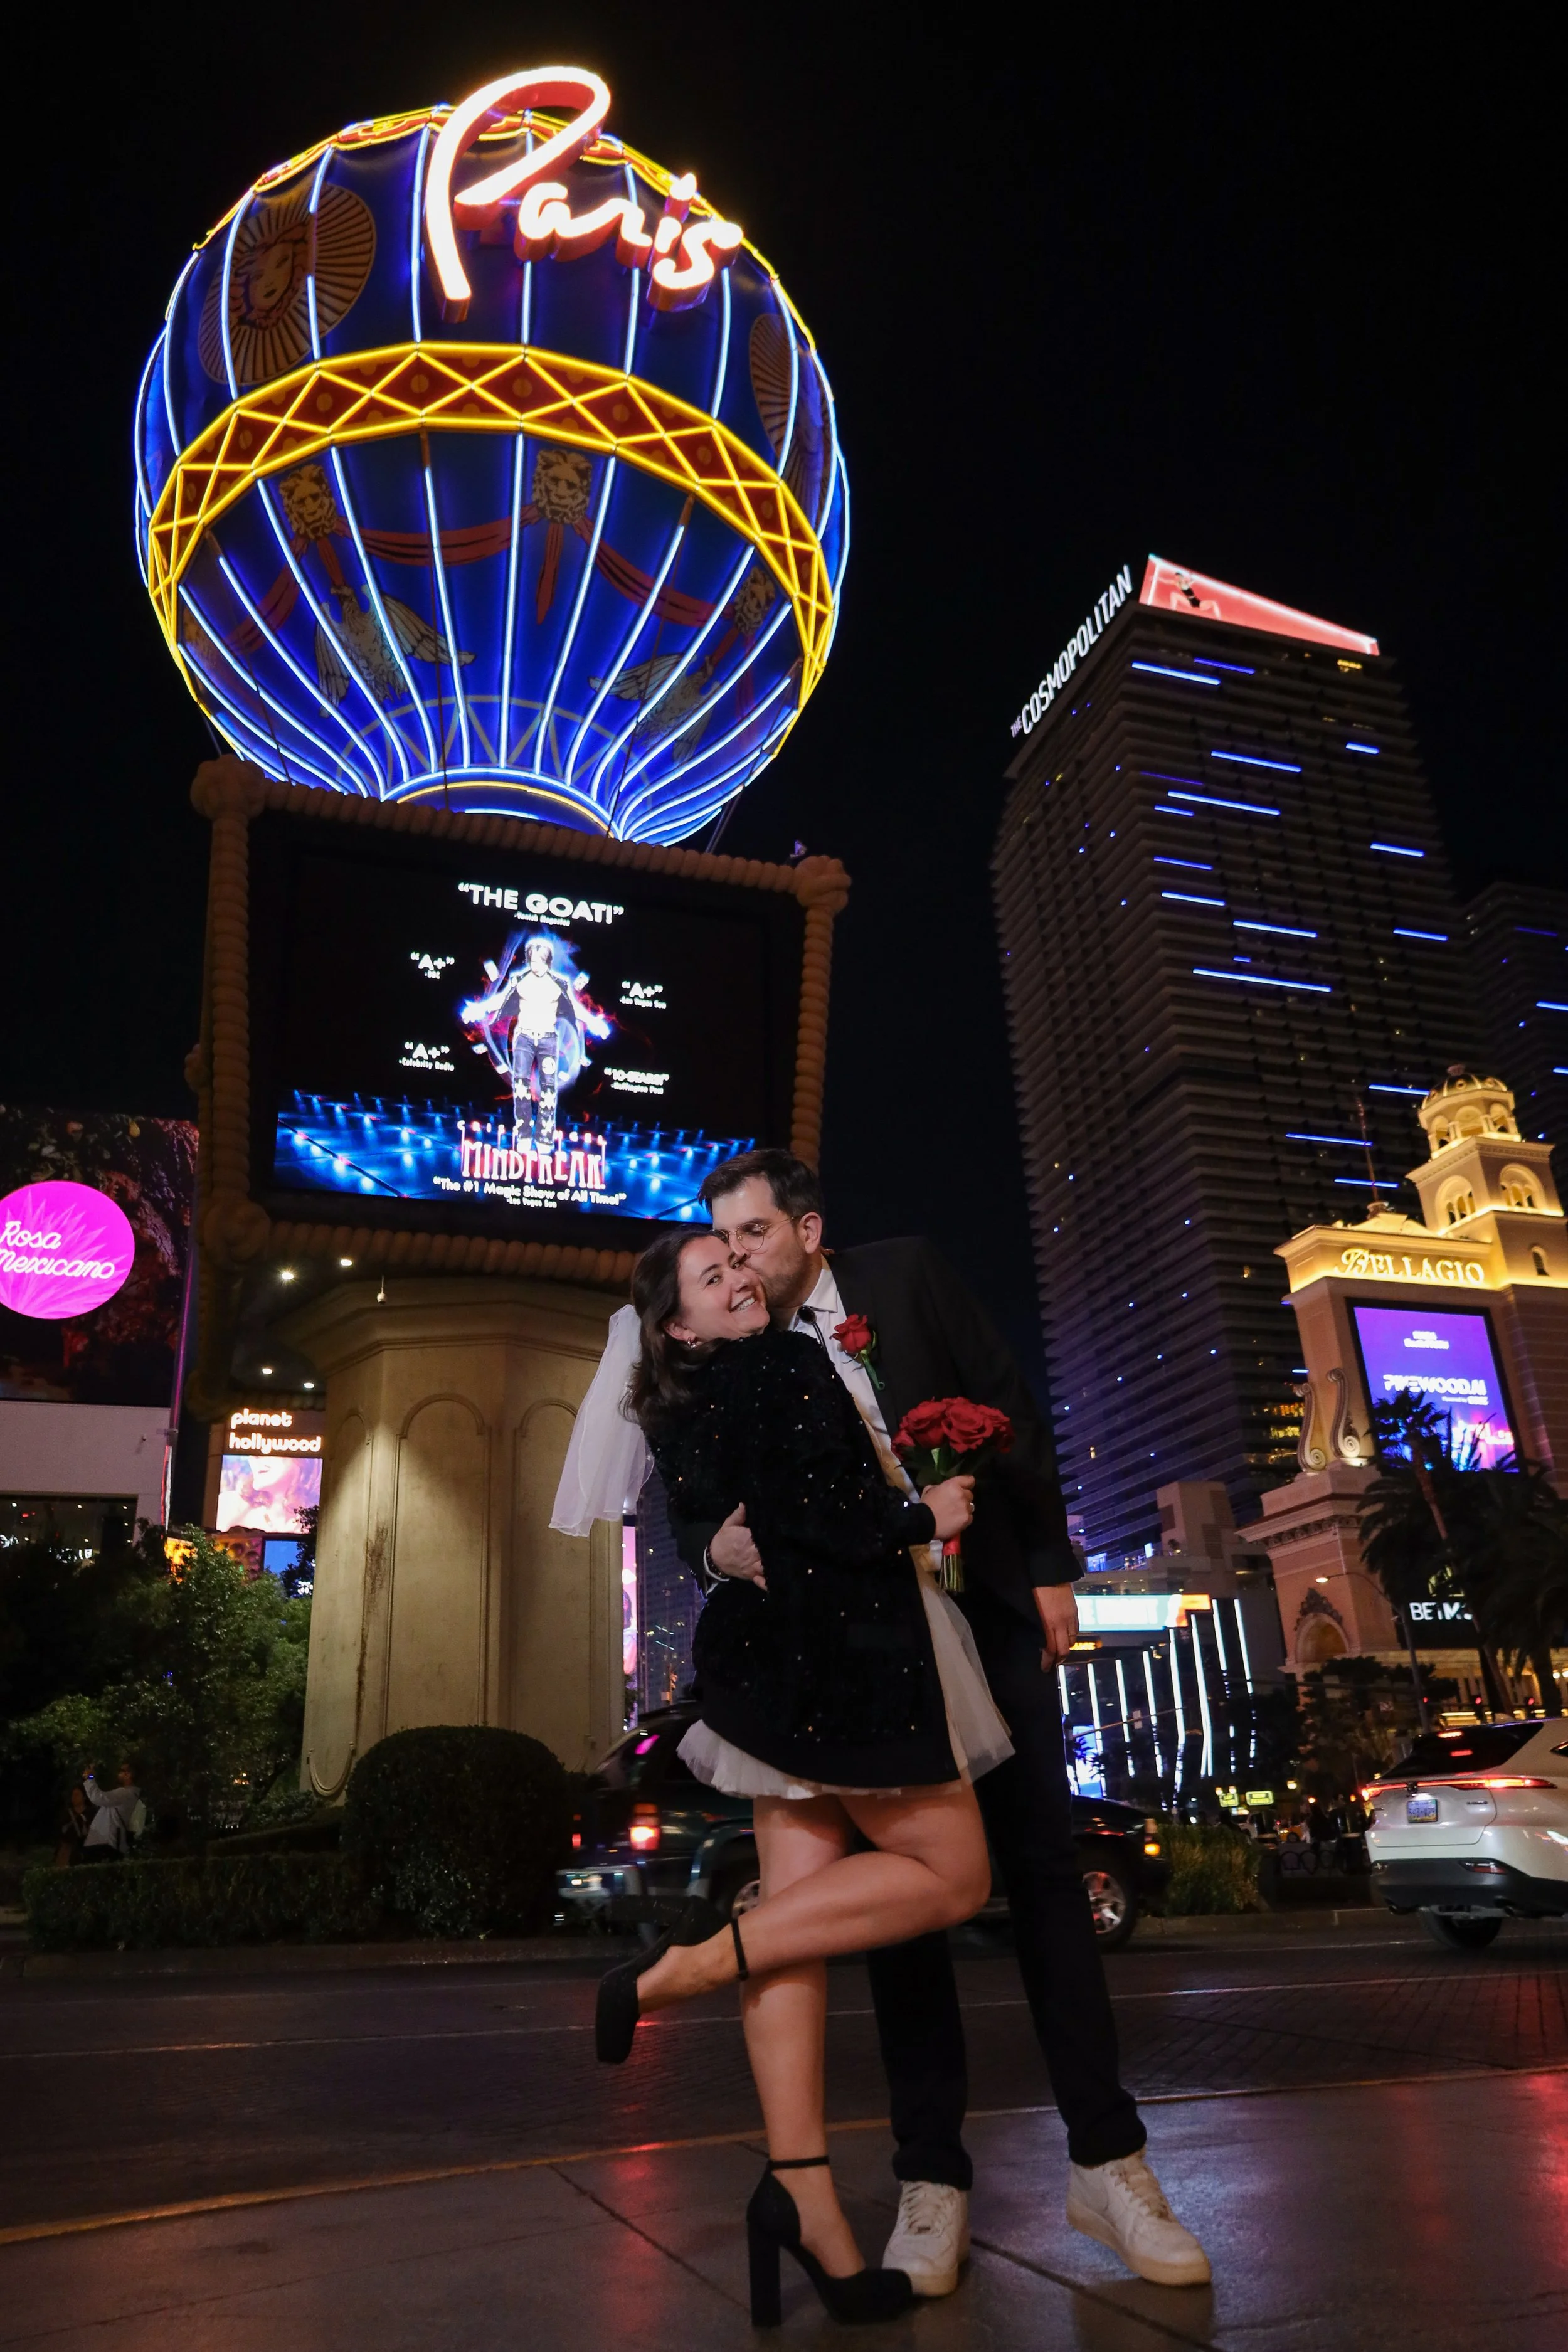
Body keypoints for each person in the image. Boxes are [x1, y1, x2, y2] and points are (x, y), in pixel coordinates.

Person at [670, 1150, 1210, 2296]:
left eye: (755, 1237)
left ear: (810, 1230)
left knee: (1044, 1874)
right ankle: (932, 2181)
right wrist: (709, 1548)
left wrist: (1055, 1569)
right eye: (723, 1247)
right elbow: (691, 1481)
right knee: (906, 1914)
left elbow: (1006, 1401)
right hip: (868, 1659)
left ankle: (1110, 2167)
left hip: (991, 1620)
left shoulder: (906, 1277)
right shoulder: (734, 1348)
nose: (740, 1261)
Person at [598, 1225, 1013, 2326]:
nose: (738, 1276)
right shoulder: (782, 1360)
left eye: (739, 1261)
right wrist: (927, 1514)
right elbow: (804, 1515)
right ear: (679, 1322)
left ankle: (803, 2198)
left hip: (767, 1670)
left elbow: (738, 1516)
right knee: (958, 1875)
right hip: (846, 1661)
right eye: (712, 1276)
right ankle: (680, 1972)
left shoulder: (679, 1397)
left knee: (803, 1922)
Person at [80, 1762, 140, 1862]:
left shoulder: (125, 1793)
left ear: (128, 1775)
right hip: (107, 1844)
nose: (117, 1774)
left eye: (120, 1771)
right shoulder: (129, 1794)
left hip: (106, 1845)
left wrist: (90, 1778)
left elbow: (98, 1798)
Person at [53, 1783, 90, 1869]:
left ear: (84, 1797)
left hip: (87, 1851)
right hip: (70, 1853)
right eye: (73, 1795)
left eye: (77, 1795)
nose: (74, 1798)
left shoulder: (90, 1813)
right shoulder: (66, 1815)